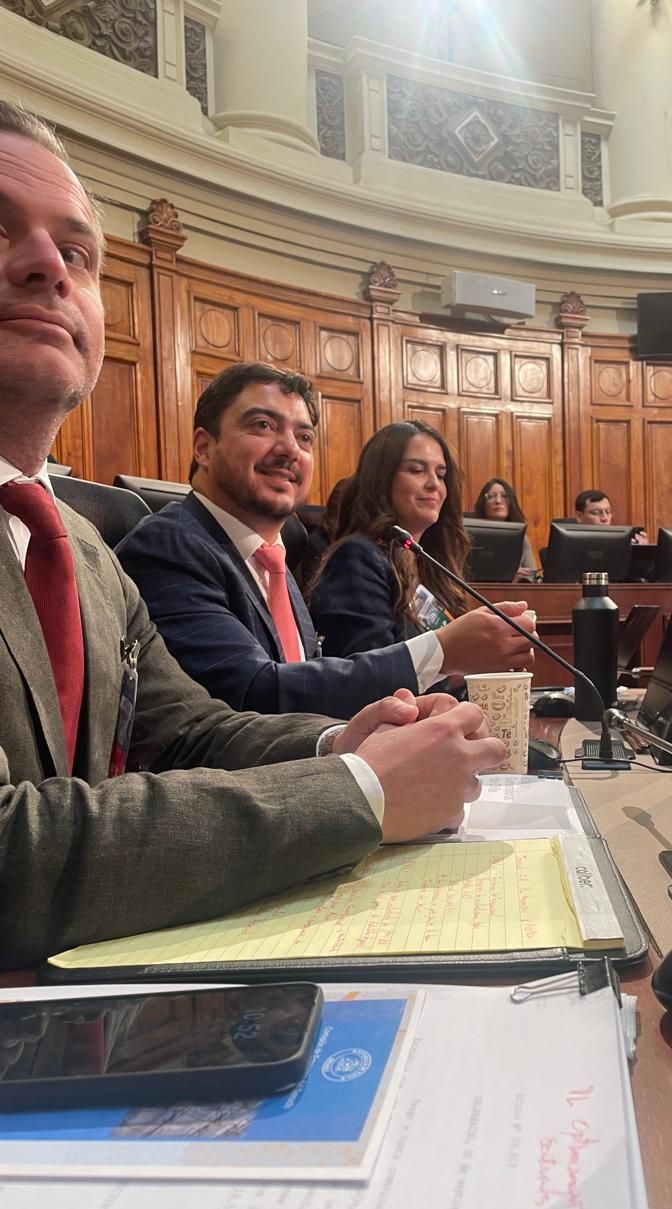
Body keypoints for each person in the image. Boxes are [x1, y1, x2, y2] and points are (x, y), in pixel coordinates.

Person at [0, 100, 505, 968]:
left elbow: (187, 732)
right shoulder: (162, 546)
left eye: (78, 253)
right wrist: (359, 789)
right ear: (203, 446)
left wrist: (340, 742)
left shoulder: (84, 550)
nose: (49, 265)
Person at [116, 363, 534, 718]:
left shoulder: (273, 560)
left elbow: (309, 688)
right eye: (263, 425)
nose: (289, 449)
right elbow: (252, 696)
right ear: (204, 448)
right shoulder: (169, 546)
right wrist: (442, 651)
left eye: (304, 437)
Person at [309, 421, 535, 668]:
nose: (434, 484)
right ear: (381, 479)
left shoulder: (429, 564)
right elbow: (370, 676)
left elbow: (444, 670)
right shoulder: (358, 557)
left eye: (441, 475)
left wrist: (488, 661)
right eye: (417, 470)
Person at [472, 476, 536, 579]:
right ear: (483, 504)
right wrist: (508, 575)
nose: (498, 501)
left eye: (504, 496)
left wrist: (520, 578)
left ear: (511, 503)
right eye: (491, 496)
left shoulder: (521, 537)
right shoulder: (471, 535)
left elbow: (533, 577)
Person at [574, 488, 647, 543]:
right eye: (596, 512)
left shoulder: (622, 541)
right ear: (579, 516)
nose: (605, 518)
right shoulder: (569, 543)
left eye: (607, 512)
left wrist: (642, 550)